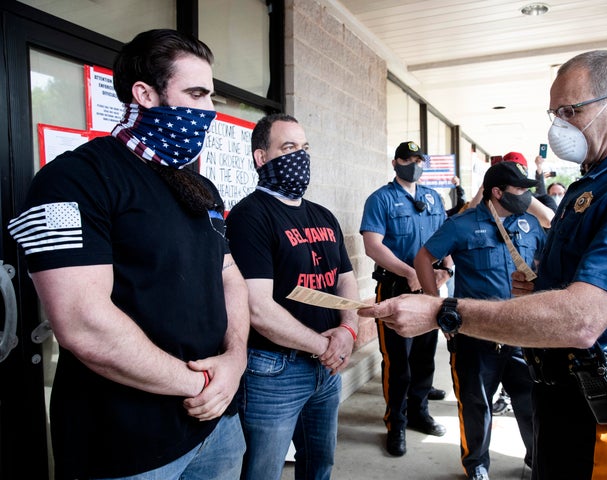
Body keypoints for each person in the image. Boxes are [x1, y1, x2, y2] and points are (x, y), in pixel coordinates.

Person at [358, 50, 607, 479]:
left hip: (605, 407)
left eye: (571, 111)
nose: (559, 125)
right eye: (555, 112)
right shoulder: (600, 178)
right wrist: (544, 286)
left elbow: (584, 320)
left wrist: (442, 311)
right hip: (564, 393)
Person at [6, 29, 250, 480]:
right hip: (124, 444)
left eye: (211, 96)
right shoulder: (73, 180)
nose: (209, 111)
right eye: (195, 93)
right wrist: (203, 384)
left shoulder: (199, 187)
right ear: (145, 94)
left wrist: (235, 362)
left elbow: (229, 274)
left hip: (218, 426)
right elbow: (82, 323)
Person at [225, 113, 360, 480]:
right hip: (274, 372)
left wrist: (347, 331)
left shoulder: (324, 216)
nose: (300, 156)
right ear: (261, 158)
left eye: (304, 148)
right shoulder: (249, 216)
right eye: (288, 148)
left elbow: (346, 281)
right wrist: (323, 345)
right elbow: (257, 307)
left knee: (319, 465)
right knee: (261, 471)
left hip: (327, 368)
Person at [415, 161, 543, 480]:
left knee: (530, 403)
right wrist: (436, 304)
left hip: (522, 335)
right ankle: (476, 465)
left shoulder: (530, 224)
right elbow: (423, 258)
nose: (525, 195)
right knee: (476, 404)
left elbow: (544, 263)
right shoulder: (463, 225)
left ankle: (536, 458)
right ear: (497, 192)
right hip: (475, 335)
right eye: (519, 190)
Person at [360, 141, 450, 457]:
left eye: (419, 160)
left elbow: (445, 237)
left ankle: (419, 412)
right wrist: (410, 272)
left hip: (430, 288)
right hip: (396, 287)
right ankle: (395, 422)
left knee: (425, 357)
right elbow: (373, 245)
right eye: (409, 159)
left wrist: (447, 268)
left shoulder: (433, 197)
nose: (415, 164)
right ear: (396, 162)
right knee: (398, 362)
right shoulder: (380, 199)